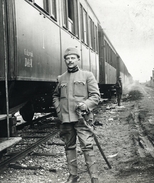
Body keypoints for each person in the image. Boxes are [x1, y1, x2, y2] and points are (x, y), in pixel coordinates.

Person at [53, 47, 100, 183]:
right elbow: (55, 96)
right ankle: (73, 175)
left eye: (73, 58)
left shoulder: (87, 75)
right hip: (66, 120)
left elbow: (95, 96)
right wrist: (59, 111)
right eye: (67, 58)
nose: (70, 61)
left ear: (78, 60)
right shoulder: (61, 78)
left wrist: (86, 105)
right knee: (69, 146)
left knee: (87, 146)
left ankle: (94, 177)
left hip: (82, 119)